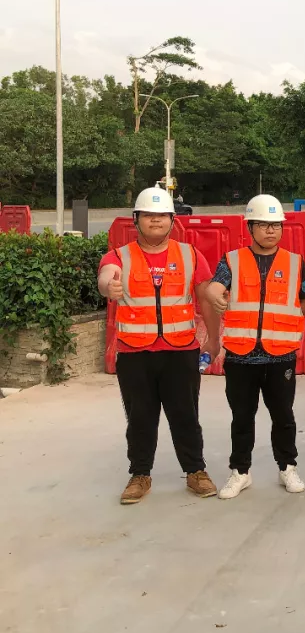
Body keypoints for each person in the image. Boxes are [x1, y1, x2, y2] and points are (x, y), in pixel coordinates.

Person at [97, 186, 217, 504]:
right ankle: (140, 475)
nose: (155, 220)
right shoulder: (119, 257)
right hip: (135, 354)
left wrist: (214, 339)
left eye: (162, 215)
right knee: (140, 418)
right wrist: (109, 286)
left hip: (181, 351)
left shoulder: (190, 255)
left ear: (172, 220)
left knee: (186, 416)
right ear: (136, 219)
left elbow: (206, 300)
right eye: (148, 215)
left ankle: (196, 471)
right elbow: (106, 277)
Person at [203, 195, 305, 499]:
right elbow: (214, 287)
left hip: (281, 356)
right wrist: (214, 295)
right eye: (264, 225)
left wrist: (289, 317)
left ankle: (287, 467)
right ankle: (240, 471)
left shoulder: (295, 262)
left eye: (276, 225)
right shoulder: (232, 260)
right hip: (241, 356)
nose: (271, 230)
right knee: (242, 417)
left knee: (283, 416)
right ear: (250, 227)